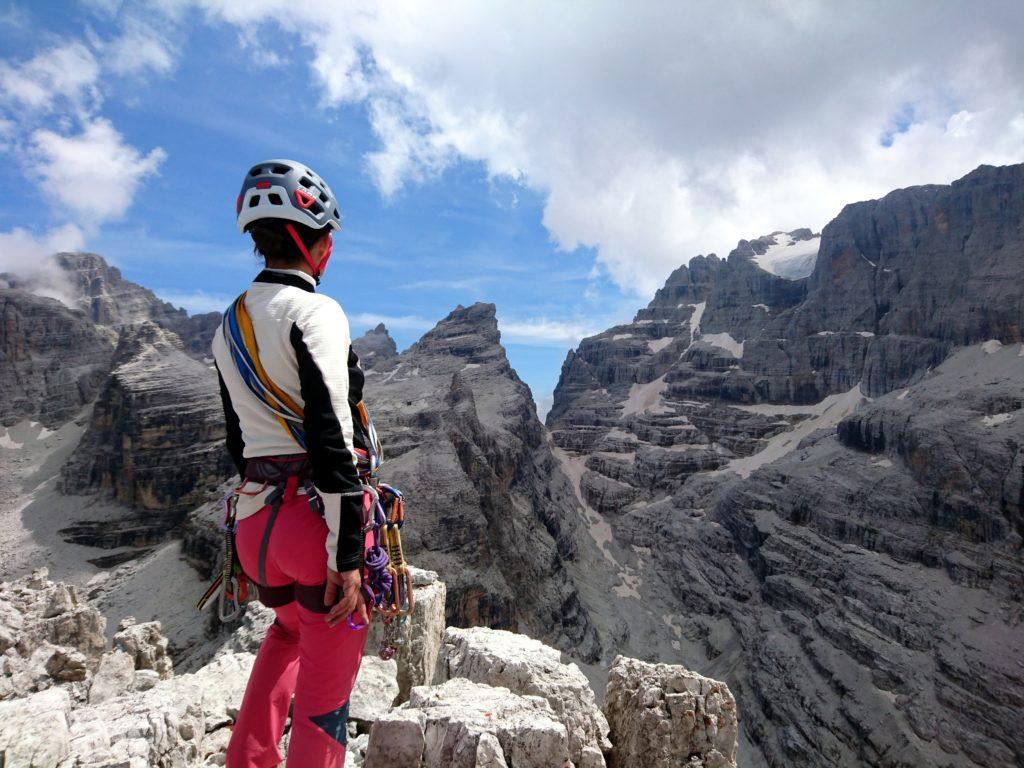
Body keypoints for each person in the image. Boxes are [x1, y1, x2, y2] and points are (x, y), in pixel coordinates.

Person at [212, 159, 371, 767]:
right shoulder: (317, 313)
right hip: (312, 528)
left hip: (254, 527)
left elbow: (238, 441)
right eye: (328, 236)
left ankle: (246, 760)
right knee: (327, 692)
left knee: (286, 634)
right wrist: (348, 559)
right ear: (312, 241)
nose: (330, 249)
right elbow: (334, 443)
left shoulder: (229, 323)